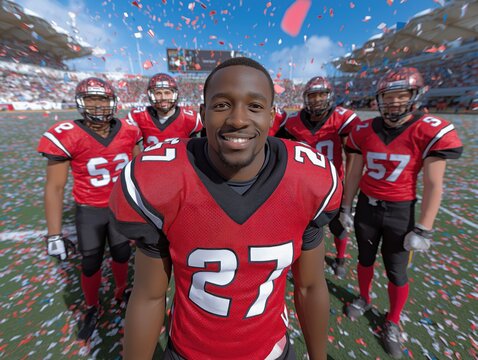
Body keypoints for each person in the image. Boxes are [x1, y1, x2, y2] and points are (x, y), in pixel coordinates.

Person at [109, 57, 343, 359]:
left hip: (271, 351)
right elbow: (149, 296)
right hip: (188, 351)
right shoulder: (161, 181)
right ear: (203, 114)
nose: (237, 120)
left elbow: (310, 287)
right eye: (221, 105)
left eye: (255, 107)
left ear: (272, 116)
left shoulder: (308, 181)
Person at [340, 67, 463, 358]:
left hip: (400, 211)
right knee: (365, 259)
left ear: (415, 95)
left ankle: (393, 321)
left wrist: (424, 227)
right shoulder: (365, 129)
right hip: (368, 208)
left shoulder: (428, 128)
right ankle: (364, 298)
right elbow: (354, 171)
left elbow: (434, 184)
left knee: (397, 271)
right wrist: (346, 205)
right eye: (388, 96)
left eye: (401, 95)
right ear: (379, 99)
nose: (394, 102)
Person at [38, 77, 142, 341]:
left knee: (121, 254)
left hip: (121, 207)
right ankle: (92, 307)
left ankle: (121, 291)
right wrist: (54, 234)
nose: (97, 106)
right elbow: (55, 188)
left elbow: (140, 170)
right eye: (91, 99)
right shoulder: (68, 134)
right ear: (80, 102)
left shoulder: (129, 130)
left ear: (113, 102)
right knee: (90, 262)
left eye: (103, 99)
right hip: (90, 210)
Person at [276, 76, 361, 278]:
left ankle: (339, 258)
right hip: (304, 186)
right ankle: (297, 258)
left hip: (333, 184)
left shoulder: (342, 119)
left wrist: (348, 196)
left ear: (329, 96)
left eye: (321, 95)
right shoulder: (294, 122)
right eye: (313, 95)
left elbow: (352, 155)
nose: (317, 100)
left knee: (338, 225)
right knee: (300, 226)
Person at [128, 73, 202, 147]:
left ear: (175, 94)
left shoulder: (190, 118)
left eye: (167, 93)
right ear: (151, 95)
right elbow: (133, 147)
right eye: (158, 93)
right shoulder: (140, 116)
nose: (163, 97)